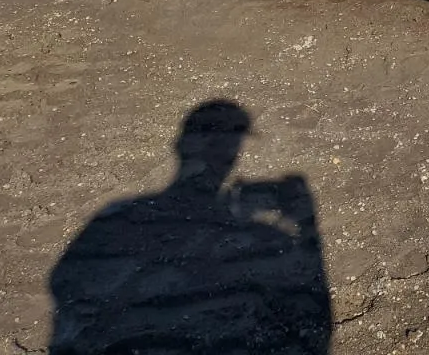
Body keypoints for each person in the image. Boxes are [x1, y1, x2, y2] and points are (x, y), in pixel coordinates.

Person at [48, 100, 332, 354]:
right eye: (227, 144)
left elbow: (64, 288)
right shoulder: (268, 236)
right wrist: (307, 225)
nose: (230, 153)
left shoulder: (119, 214)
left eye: (231, 143)